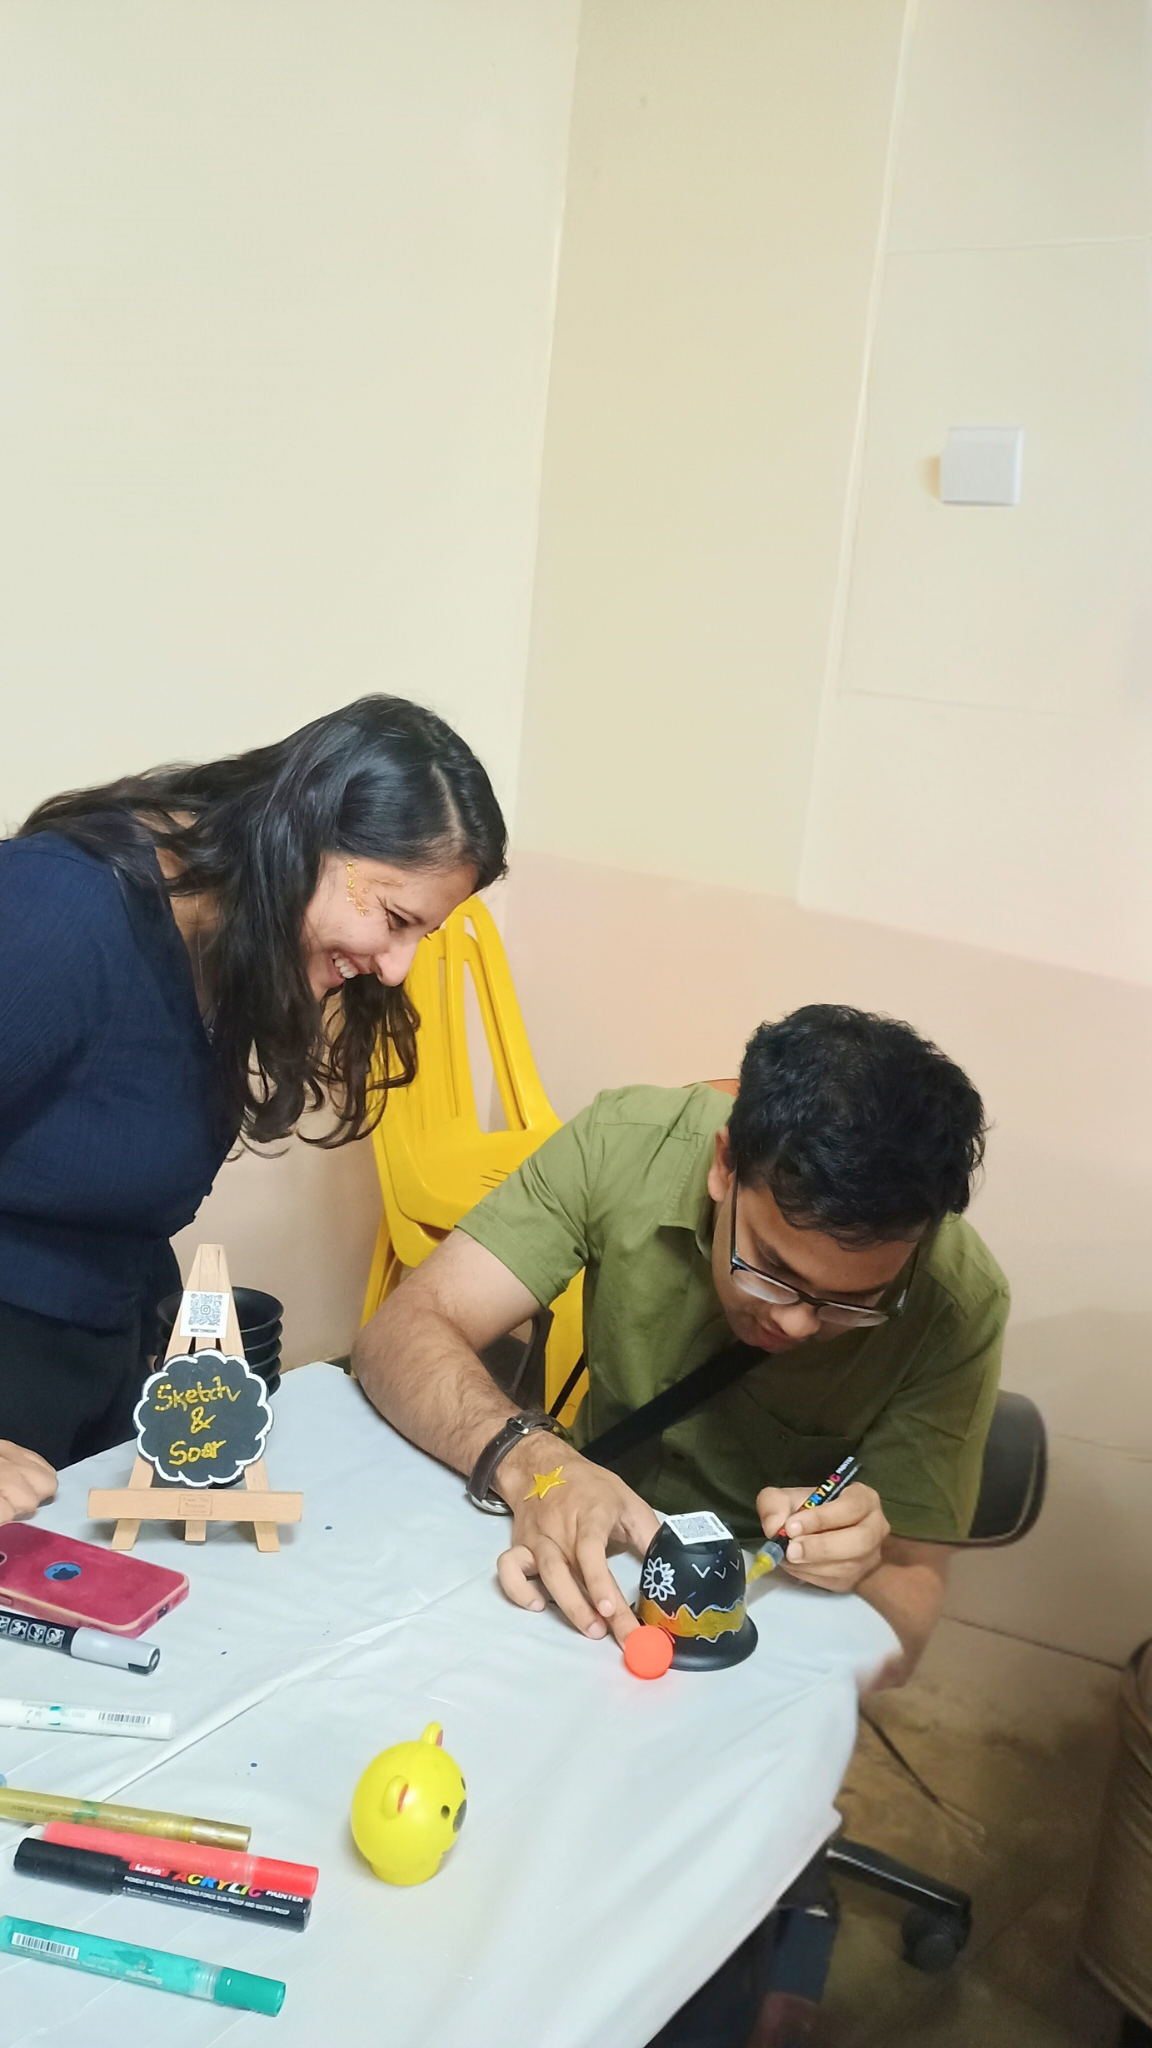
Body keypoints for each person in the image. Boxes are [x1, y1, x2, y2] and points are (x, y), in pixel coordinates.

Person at [353, 1005, 1009, 1686]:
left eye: (853, 1303)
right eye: (774, 1272)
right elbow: (401, 1332)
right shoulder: (627, 1146)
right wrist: (532, 1460)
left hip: (756, 1634)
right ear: (726, 1166)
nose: (798, 1326)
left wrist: (862, 1568)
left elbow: (909, 1617)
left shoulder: (957, 1302)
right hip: (580, 1553)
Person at [0, 694, 506, 1514]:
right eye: (393, 917)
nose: (399, 967)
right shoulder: (62, 911)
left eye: (425, 936)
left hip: (98, 1364)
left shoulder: (221, 938)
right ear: (307, 836)